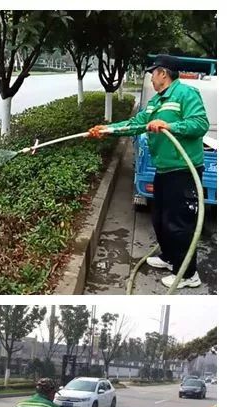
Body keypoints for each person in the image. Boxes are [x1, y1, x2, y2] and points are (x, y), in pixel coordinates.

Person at [89, 54, 210, 289]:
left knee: (179, 223)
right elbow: (136, 124)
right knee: (160, 219)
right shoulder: (156, 102)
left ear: (163, 73)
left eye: (152, 73)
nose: (151, 77)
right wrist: (107, 129)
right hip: (164, 169)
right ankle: (168, 258)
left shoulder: (186, 94)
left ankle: (188, 274)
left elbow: (200, 124)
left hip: (183, 170)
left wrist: (169, 125)